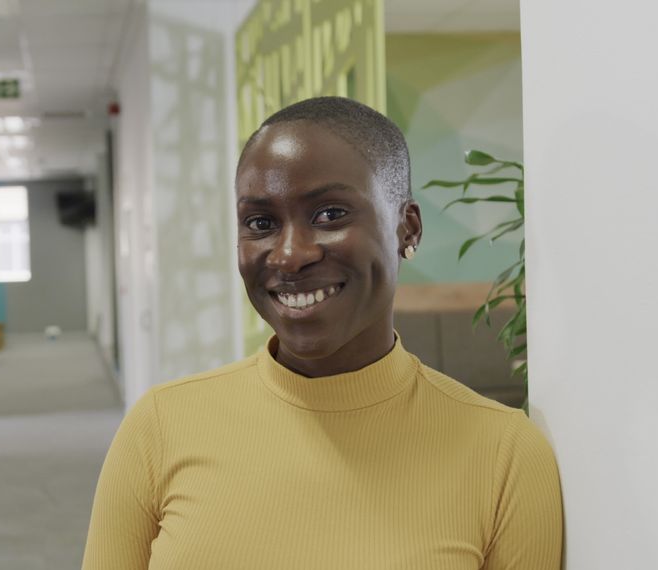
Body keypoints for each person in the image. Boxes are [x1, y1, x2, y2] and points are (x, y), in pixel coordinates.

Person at [82, 96, 563, 569]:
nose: (290, 255)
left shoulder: (505, 455)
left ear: (407, 229)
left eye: (330, 214)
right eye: (261, 222)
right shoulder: (161, 426)